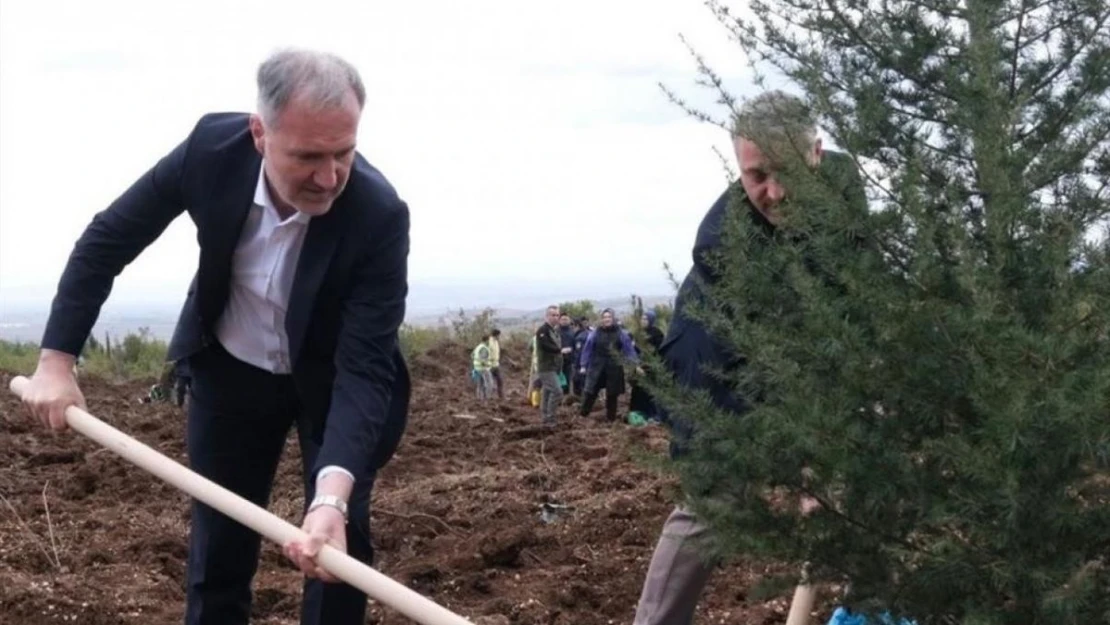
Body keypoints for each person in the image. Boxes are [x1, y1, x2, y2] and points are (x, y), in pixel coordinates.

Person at [19, 48, 412, 625]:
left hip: (332, 384)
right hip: (231, 372)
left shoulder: (378, 214)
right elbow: (107, 240)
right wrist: (56, 363)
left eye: (343, 153)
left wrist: (330, 498)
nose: (329, 177)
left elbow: (365, 366)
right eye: (307, 156)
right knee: (219, 549)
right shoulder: (211, 152)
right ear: (260, 134)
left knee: (336, 549)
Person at [631, 90, 867, 625]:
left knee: (863, 464)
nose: (774, 191)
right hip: (714, 355)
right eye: (756, 175)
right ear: (738, 165)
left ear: (817, 152)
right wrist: (810, 456)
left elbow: (849, 300)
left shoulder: (848, 186)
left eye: (785, 170)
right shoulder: (724, 244)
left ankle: (869, 606)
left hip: (807, 347)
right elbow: (782, 354)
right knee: (717, 500)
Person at [577, 308, 639, 422]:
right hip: (597, 366)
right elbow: (587, 349)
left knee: (612, 394)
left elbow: (628, 349)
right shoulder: (594, 333)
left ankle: (611, 419)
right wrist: (583, 365)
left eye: (609, 317)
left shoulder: (621, 333)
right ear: (601, 319)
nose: (607, 319)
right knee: (591, 391)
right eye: (604, 317)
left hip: (614, 366)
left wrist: (635, 364)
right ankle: (583, 415)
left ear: (613, 319)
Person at [534, 305, 570, 425]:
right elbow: (546, 346)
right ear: (547, 316)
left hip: (554, 367)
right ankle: (550, 418)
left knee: (547, 392)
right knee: (557, 391)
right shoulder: (543, 331)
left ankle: (545, 418)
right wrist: (560, 351)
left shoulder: (554, 330)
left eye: (557, 315)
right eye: (552, 315)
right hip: (546, 367)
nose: (555, 317)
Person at [628, 310, 665, 420]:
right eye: (642, 319)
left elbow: (658, 352)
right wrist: (636, 365)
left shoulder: (657, 334)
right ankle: (637, 413)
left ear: (651, 320)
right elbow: (633, 351)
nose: (643, 321)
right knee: (638, 392)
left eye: (645, 319)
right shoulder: (637, 334)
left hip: (650, 368)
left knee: (650, 392)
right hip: (638, 367)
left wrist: (649, 365)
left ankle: (653, 414)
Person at [470, 335, 495, 401]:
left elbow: (472, 355)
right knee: (489, 384)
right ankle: (487, 398)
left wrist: (476, 362)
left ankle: (479, 399)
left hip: (477, 368)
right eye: (489, 341)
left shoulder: (478, 347)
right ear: (486, 340)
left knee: (480, 384)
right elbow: (483, 359)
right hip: (483, 369)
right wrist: (487, 364)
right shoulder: (484, 348)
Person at [558, 313, 576, 393]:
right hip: (557, 360)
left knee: (568, 378)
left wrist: (571, 349)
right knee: (558, 379)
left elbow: (576, 345)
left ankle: (566, 396)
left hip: (569, 360)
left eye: (566, 319)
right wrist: (560, 350)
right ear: (559, 321)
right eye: (563, 319)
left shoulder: (573, 332)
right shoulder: (555, 332)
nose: (564, 321)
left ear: (569, 320)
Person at [488, 328, 506, 399]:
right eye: (498, 335)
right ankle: (489, 397)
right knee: (490, 382)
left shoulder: (496, 342)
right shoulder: (489, 342)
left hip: (496, 365)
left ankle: (501, 397)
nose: (499, 337)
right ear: (496, 335)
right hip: (490, 366)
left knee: (500, 381)